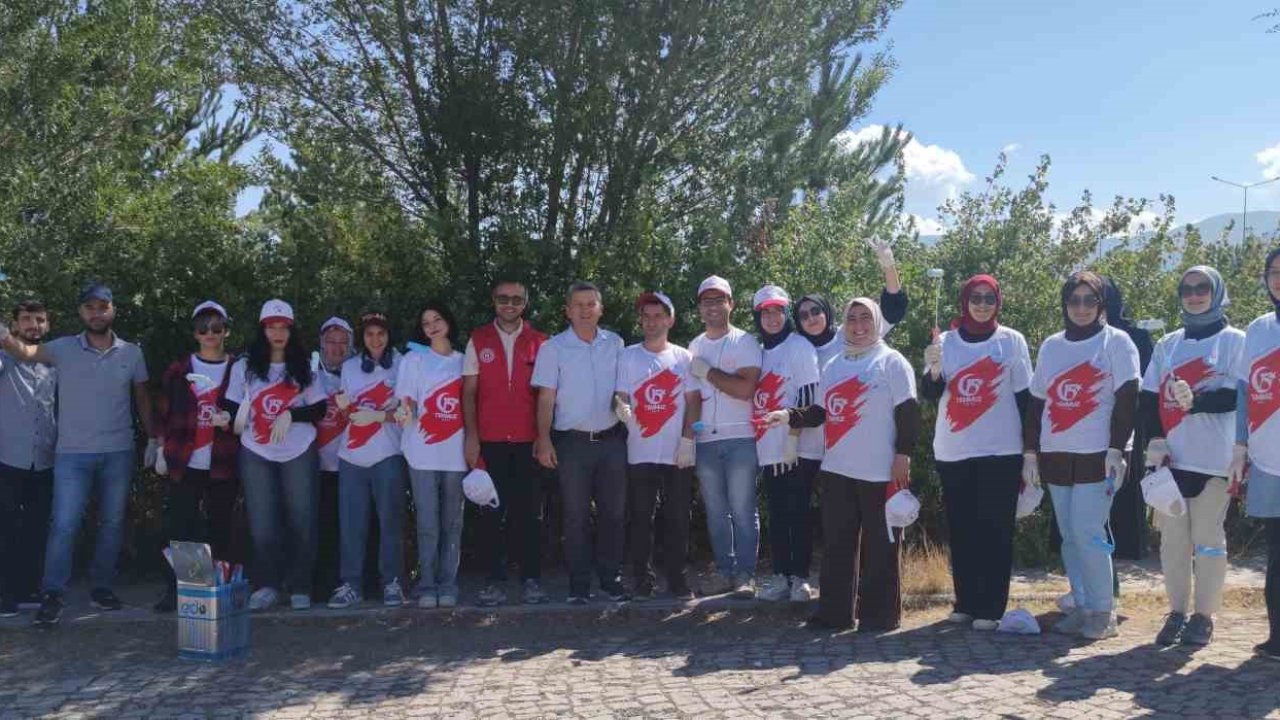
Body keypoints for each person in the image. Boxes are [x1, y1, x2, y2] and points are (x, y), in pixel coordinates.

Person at [0, 283, 155, 627]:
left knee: (112, 524)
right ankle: (52, 593)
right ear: (80, 312)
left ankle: (102, 588)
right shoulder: (62, 348)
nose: (96, 314)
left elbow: (142, 397)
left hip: (118, 450)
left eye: (103, 307)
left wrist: (154, 438)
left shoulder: (132, 353)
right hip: (71, 453)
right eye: (89, 308)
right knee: (64, 525)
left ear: (113, 310)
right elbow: (24, 352)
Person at [788, 297, 919, 632]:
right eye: (852, 319)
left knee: (881, 548)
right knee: (837, 546)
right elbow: (819, 413)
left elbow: (908, 414)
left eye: (865, 318)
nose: (859, 326)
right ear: (843, 324)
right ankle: (834, 614)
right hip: (837, 470)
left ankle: (879, 617)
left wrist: (903, 455)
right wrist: (787, 417)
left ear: (876, 322)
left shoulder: (892, 362)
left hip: (881, 471)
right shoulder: (833, 364)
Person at [1024, 271, 1139, 640]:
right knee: (1069, 536)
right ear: (1065, 304)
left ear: (1102, 303)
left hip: (1099, 455)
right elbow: (1037, 402)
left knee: (1089, 532)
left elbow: (1128, 399)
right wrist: (1030, 453)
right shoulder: (1052, 346)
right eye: (1075, 300)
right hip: (1057, 454)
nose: (1082, 308)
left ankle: (1103, 612)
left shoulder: (1117, 342)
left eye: (1090, 300)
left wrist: (1116, 449)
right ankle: (1083, 603)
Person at [920, 275, 1033, 631]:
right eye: (976, 298)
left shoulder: (1011, 341)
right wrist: (934, 369)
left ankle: (990, 607)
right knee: (963, 529)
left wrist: (1032, 452)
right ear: (964, 301)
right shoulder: (945, 341)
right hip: (954, 450)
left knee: (995, 530)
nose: (982, 304)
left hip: (1002, 450)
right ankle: (966, 602)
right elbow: (930, 394)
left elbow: (1026, 400)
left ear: (997, 301)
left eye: (989, 298)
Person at [1139, 266, 1242, 647]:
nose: (1194, 295)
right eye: (1187, 288)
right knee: (1172, 543)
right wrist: (1155, 441)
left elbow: (1239, 396)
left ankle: (1204, 616)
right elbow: (1149, 398)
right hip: (1172, 462)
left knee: (1208, 539)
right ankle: (1177, 611)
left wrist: (1198, 401)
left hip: (1215, 461)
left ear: (1216, 293)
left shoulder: (1236, 341)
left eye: (1202, 288)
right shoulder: (1167, 344)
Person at [223, 299, 328, 611]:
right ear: (262, 329)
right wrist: (234, 417)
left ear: (291, 330)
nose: (278, 332)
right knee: (262, 523)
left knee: (302, 519)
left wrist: (292, 415)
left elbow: (320, 408)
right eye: (271, 326)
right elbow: (230, 404)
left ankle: (300, 585)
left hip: (298, 450)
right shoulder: (245, 366)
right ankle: (267, 584)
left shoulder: (305, 367)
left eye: (283, 327)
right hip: (257, 451)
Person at [531, 281, 628, 603]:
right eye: (578, 305)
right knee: (575, 516)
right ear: (567, 311)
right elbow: (546, 399)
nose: (585, 310)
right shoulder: (552, 348)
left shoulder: (615, 343)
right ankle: (579, 585)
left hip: (612, 440)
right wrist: (543, 440)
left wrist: (623, 404)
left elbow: (623, 390)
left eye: (591, 304)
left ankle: (611, 579)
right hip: (572, 444)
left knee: (613, 514)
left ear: (600, 309)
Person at [462, 280, 549, 606]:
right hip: (489, 440)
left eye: (516, 299)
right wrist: (472, 437)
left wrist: (544, 439)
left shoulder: (541, 342)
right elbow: (469, 393)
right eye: (503, 299)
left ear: (525, 303)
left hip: (529, 441)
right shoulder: (478, 338)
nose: (509, 304)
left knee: (530, 514)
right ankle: (494, 581)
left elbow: (546, 396)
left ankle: (532, 579)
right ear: (494, 301)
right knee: (489, 515)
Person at [151, 301, 241, 613]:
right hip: (183, 459)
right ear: (195, 333)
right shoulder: (179, 369)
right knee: (182, 527)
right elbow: (163, 412)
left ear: (226, 331)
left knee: (221, 526)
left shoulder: (238, 368)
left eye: (217, 328)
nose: (210, 334)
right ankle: (185, 591)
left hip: (223, 460)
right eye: (204, 328)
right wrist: (160, 448)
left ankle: (220, 589)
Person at [615, 291, 697, 600]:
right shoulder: (628, 355)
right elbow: (621, 395)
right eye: (646, 316)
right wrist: (620, 408)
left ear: (670, 319)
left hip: (677, 451)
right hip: (640, 450)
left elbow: (693, 402)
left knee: (677, 517)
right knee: (640, 518)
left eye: (658, 316)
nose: (651, 322)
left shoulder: (683, 357)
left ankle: (677, 579)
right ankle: (642, 580)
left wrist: (688, 439)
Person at [688, 275, 763, 598]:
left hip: (741, 438)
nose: (713, 306)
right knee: (716, 511)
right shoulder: (694, 346)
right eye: (707, 301)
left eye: (720, 300)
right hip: (706, 441)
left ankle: (745, 575)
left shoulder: (745, 341)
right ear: (700, 308)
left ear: (731, 304)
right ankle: (724, 570)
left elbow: (746, 389)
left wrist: (710, 373)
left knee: (743, 509)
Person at [327, 312, 406, 608]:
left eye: (381, 334)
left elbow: (407, 412)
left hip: (388, 453)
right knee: (351, 524)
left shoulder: (402, 364)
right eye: (370, 334)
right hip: (352, 456)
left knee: (390, 522)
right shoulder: (349, 367)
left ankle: (393, 582)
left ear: (388, 335)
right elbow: (349, 416)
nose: (376, 340)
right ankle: (351, 584)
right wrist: (346, 409)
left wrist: (381, 415)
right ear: (362, 337)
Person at [752, 285, 820, 603]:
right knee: (777, 513)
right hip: (767, 447)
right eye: (766, 312)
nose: (772, 317)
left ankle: (801, 578)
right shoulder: (757, 351)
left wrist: (792, 438)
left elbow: (809, 398)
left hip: (796, 447)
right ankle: (781, 576)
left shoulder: (799, 346)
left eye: (778, 311)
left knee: (797, 513)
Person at [397, 303, 468, 608]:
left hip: (456, 455)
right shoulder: (414, 360)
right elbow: (407, 400)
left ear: (448, 321)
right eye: (426, 323)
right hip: (421, 454)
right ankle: (427, 585)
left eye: (437, 319)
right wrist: (405, 410)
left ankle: (448, 584)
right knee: (427, 522)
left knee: (453, 522)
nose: (433, 326)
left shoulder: (465, 362)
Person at [1230, 247, 1280, 660]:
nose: (1278, 279)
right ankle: (1277, 635)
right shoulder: (1259, 329)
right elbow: (1246, 390)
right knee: (1276, 552)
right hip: (1267, 457)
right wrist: (1240, 445)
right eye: (1273, 272)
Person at [0, 300, 56, 618]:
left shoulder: (55, 361)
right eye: (26, 319)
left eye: (39, 319)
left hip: (46, 459)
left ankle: (30, 587)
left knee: (37, 528)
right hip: (8, 457)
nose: (33, 324)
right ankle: (6, 593)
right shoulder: (5, 358)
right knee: (6, 527)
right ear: (15, 325)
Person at [313, 317, 354, 600]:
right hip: (314, 466)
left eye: (343, 342)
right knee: (320, 526)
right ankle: (318, 583)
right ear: (322, 343)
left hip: (350, 465)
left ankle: (351, 581)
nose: (337, 347)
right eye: (331, 341)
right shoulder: (308, 370)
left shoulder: (359, 371)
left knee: (349, 527)